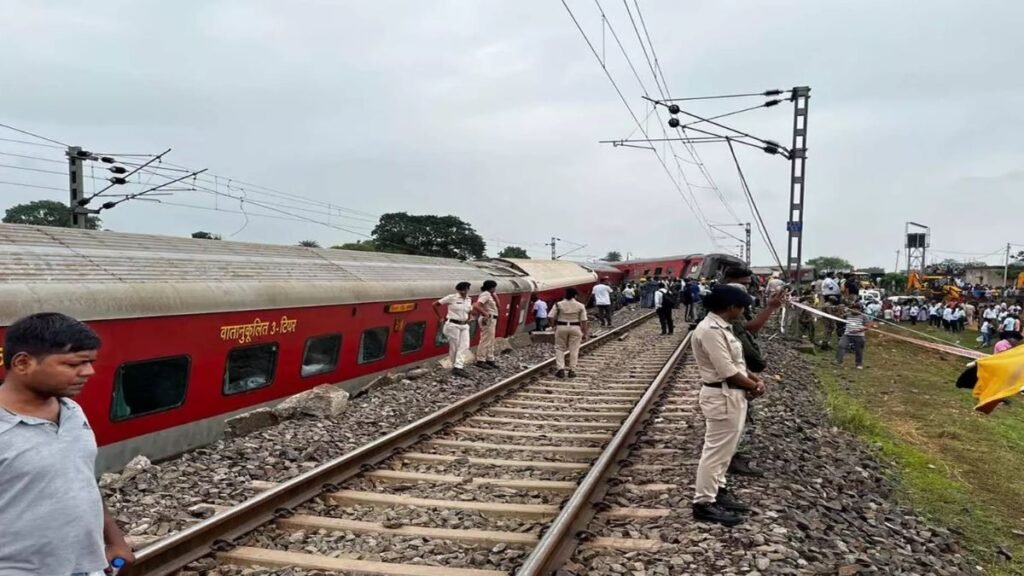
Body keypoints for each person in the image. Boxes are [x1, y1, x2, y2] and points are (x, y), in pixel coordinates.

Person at [0, 312, 135, 576]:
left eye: (90, 362)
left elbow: (81, 478)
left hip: (88, 568)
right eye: (75, 364)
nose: (89, 372)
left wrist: (114, 541)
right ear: (23, 363)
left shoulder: (72, 411)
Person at [690, 285, 766, 526]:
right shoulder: (711, 330)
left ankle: (717, 490)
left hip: (731, 395)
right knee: (716, 452)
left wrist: (752, 379)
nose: (743, 311)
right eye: (742, 307)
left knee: (726, 451)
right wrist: (753, 386)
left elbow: (736, 363)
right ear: (732, 307)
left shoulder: (722, 327)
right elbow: (727, 371)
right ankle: (703, 502)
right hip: (722, 395)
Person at [433, 282, 474, 378]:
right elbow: (435, 304)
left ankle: (457, 366)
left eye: (465, 289)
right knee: (454, 346)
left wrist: (470, 316)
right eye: (461, 290)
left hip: (464, 325)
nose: (463, 292)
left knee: (465, 345)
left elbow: (469, 310)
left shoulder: (469, 299)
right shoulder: (451, 297)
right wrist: (440, 317)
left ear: (468, 289)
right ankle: (457, 367)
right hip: (452, 325)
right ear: (458, 290)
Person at [550, 287, 589, 378]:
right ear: (575, 295)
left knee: (559, 348)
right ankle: (572, 370)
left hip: (561, 326)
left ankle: (561, 369)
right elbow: (584, 321)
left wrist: (553, 326)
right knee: (574, 349)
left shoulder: (558, 304)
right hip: (575, 327)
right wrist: (585, 333)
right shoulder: (580, 305)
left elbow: (550, 316)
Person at [472, 280, 500, 370]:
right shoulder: (486, 294)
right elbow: (476, 305)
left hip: (492, 319)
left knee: (491, 340)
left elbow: (499, 306)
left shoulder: (490, 295)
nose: (495, 289)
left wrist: (495, 295)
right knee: (485, 340)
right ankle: (480, 360)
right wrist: (485, 313)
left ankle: (489, 358)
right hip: (488, 319)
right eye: (494, 287)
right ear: (491, 287)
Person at [836, 303, 870, 369]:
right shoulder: (847, 315)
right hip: (847, 335)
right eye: (853, 308)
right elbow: (838, 318)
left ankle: (858, 364)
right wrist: (840, 310)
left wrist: (858, 331)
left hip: (859, 336)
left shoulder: (863, 316)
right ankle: (839, 362)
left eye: (857, 308)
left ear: (860, 309)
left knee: (859, 350)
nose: (855, 310)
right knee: (841, 345)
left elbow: (867, 327)